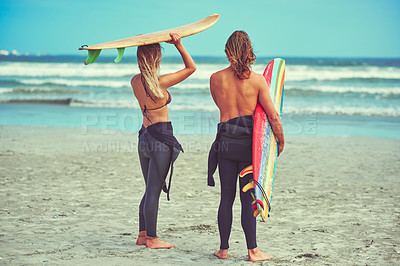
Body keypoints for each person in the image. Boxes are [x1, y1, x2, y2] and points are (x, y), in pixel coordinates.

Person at [207, 30, 285, 261]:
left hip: (224, 145)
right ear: (249, 50)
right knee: (248, 198)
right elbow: (272, 116)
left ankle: (223, 249)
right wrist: (280, 140)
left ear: (227, 51)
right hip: (248, 149)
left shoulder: (215, 78)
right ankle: (253, 251)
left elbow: (221, 108)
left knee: (226, 198)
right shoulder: (258, 80)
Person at [131, 33, 196, 249]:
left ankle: (142, 235)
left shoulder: (135, 81)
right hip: (160, 139)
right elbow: (191, 67)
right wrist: (178, 44)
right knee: (153, 191)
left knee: (149, 189)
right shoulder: (161, 82)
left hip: (144, 138)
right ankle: (152, 239)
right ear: (157, 58)